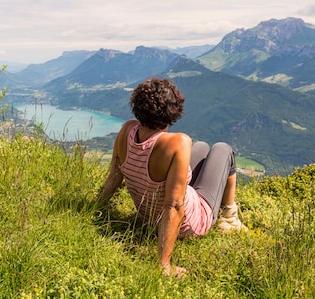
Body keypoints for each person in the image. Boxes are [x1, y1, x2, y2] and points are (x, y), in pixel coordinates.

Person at [97, 78, 247, 277]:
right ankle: (229, 218)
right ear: (173, 110)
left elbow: (113, 179)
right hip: (191, 222)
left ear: (137, 105)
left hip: (149, 218)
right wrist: (164, 264)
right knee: (223, 149)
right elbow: (174, 205)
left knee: (201, 147)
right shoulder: (178, 142)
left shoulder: (126, 130)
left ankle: (225, 214)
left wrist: (95, 207)